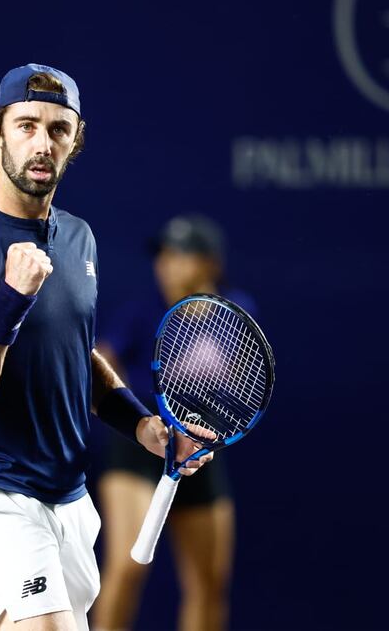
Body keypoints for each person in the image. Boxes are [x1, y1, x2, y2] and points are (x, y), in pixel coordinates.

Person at [0, 64, 214, 631]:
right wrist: (9, 299)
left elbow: (77, 357)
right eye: (26, 125)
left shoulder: (79, 238)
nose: (42, 143)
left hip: (69, 502)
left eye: (59, 130)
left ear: (75, 140)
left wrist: (142, 426)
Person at [91, 215, 254, 631]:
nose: (166, 264)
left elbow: (239, 384)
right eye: (162, 255)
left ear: (209, 263)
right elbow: (100, 364)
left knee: (208, 582)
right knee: (126, 569)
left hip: (201, 451)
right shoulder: (140, 312)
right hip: (139, 449)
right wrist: (143, 416)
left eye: (180, 255)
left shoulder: (236, 313)